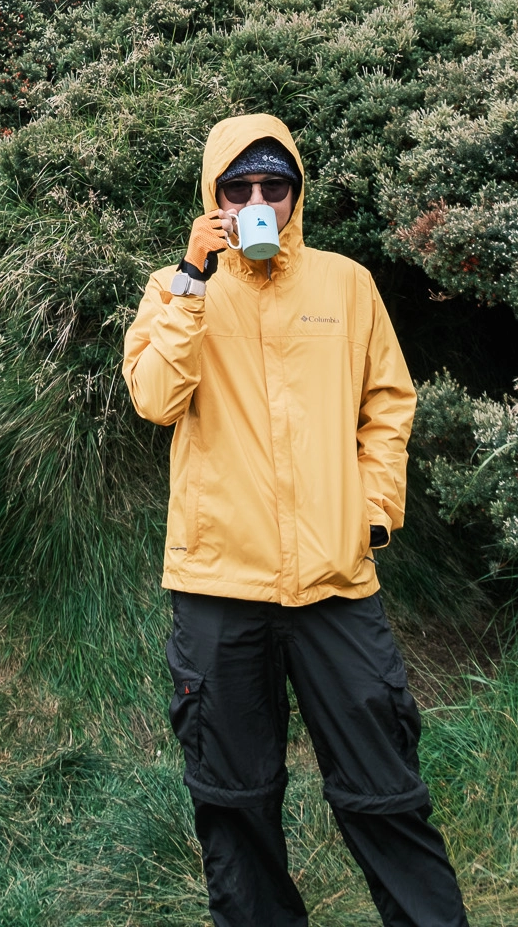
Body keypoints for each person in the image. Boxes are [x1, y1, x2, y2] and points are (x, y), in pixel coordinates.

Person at [123, 111, 469, 927]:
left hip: (335, 582)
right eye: (236, 187)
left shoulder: (345, 283)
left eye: (271, 186)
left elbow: (388, 403)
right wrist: (192, 279)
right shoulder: (175, 287)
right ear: (211, 195)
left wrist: (373, 513)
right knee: (234, 801)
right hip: (217, 583)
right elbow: (154, 399)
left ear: (294, 194)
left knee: (384, 790)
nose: (255, 202)